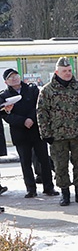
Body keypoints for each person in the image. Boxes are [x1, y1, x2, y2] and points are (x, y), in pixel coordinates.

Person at [36, 57, 78, 206]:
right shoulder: (47, 90)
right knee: (60, 166)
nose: (68, 73)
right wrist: (45, 133)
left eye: (69, 70)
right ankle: (65, 193)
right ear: (57, 72)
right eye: (64, 71)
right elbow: (41, 113)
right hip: (57, 136)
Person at [0, 68, 56, 198]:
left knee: (44, 160)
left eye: (15, 75)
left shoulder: (32, 89)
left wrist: (31, 118)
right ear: (6, 81)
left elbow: (39, 106)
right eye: (10, 77)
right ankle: (31, 189)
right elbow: (5, 115)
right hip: (20, 133)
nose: (14, 78)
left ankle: (49, 187)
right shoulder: (3, 96)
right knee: (25, 163)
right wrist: (23, 121)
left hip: (36, 130)